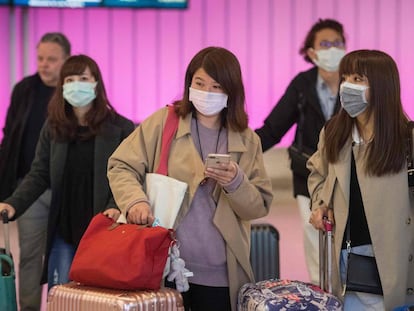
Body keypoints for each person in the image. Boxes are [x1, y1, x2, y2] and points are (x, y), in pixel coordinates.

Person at [107, 46, 273, 311]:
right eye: (200, 83)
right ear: (189, 84)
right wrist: (135, 201)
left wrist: (235, 183)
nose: (207, 93)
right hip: (163, 264)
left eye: (217, 86)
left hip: (221, 272)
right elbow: (121, 164)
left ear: (231, 91)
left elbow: (258, 206)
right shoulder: (165, 122)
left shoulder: (247, 140)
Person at [0, 54, 135, 292]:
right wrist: (13, 204)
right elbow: (39, 173)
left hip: (103, 226)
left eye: (82, 78)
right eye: (69, 79)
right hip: (64, 228)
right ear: (62, 86)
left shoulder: (120, 127)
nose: (76, 85)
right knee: (61, 295)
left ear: (96, 83)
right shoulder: (54, 127)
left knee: (97, 296)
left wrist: (115, 205)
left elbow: (129, 175)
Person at [308, 50, 414, 310]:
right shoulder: (334, 132)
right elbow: (317, 172)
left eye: (358, 78)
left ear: (381, 86)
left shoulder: (406, 138)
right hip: (346, 256)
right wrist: (320, 203)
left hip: (394, 258)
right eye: (345, 77)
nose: (347, 86)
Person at [255, 18, 346, 285]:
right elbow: (273, 129)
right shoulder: (302, 86)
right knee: (316, 242)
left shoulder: (355, 83)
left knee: (347, 244)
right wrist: (240, 150)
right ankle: (323, 296)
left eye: (338, 43)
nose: (333, 49)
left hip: (349, 178)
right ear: (312, 52)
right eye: (325, 44)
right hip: (308, 176)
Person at [0, 32, 70, 311]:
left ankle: (62, 305)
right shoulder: (24, 89)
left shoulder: (74, 91)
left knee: (63, 255)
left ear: (66, 60)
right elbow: (11, 135)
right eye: (40, 58)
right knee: (29, 255)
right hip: (29, 189)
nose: (44, 64)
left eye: (52, 59)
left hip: (64, 190)